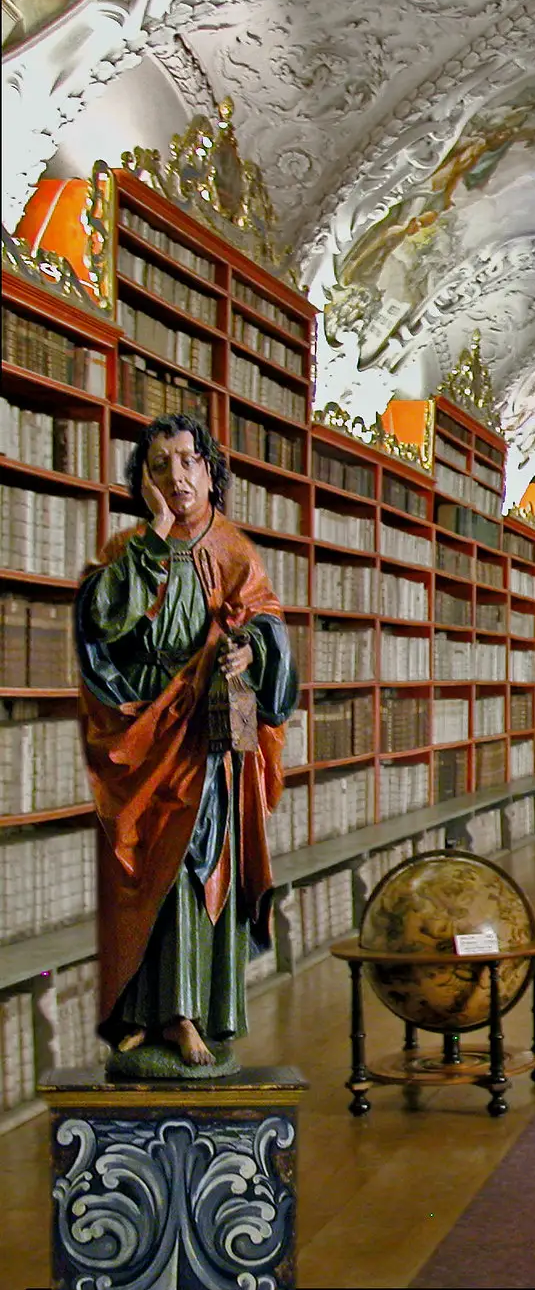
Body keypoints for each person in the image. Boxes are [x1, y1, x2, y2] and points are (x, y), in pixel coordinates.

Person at [75, 413, 298, 1073]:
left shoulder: (234, 550)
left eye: (186, 460)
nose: (175, 474)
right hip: (143, 737)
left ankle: (189, 1013)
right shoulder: (128, 548)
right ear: (144, 483)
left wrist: (248, 651)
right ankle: (138, 1011)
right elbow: (101, 620)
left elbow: (270, 632)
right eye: (158, 465)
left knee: (193, 866)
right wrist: (161, 537)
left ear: (209, 470)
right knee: (140, 868)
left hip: (206, 742)